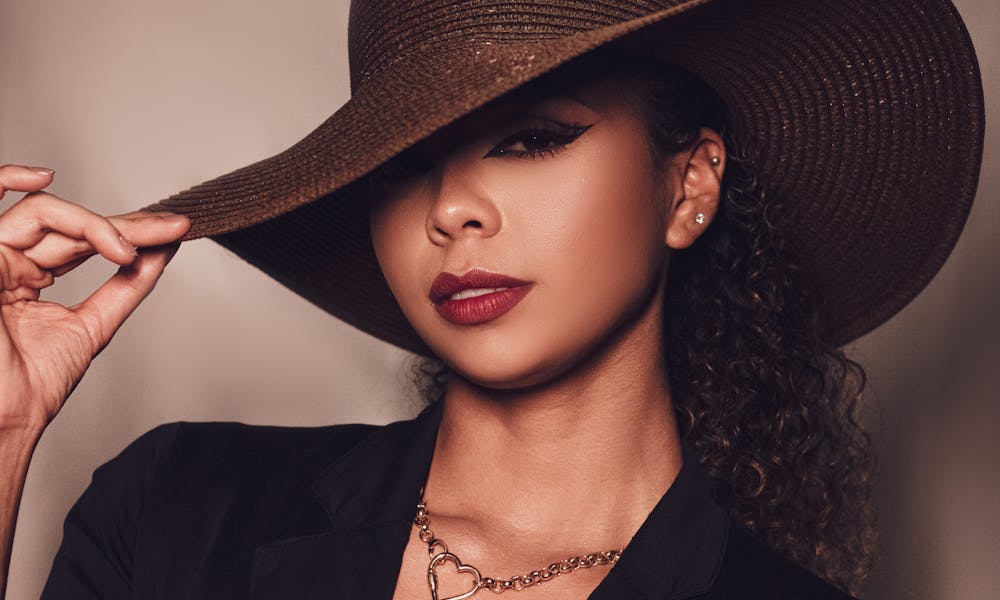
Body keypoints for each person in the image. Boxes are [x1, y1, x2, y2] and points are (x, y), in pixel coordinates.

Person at [0, 0, 985, 599]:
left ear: (688, 187)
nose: (453, 209)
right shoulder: (180, 507)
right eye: (402, 168)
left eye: (531, 139)